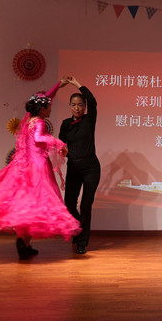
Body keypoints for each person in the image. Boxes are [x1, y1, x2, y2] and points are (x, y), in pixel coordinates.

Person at [0, 79, 81, 260]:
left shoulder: (29, 118)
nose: (51, 109)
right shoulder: (40, 122)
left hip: (24, 166)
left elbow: (44, 98)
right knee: (35, 206)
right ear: (42, 109)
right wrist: (58, 142)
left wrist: (59, 85)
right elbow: (39, 138)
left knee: (26, 205)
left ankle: (24, 243)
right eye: (49, 107)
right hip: (38, 168)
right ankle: (23, 243)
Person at [59, 76, 101, 255]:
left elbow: (92, 101)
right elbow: (61, 144)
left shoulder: (89, 120)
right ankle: (78, 228)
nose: (77, 108)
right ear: (70, 106)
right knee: (69, 203)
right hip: (74, 167)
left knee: (85, 205)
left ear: (84, 107)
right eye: (74, 105)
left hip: (91, 168)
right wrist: (63, 151)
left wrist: (76, 83)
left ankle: (82, 243)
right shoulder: (65, 124)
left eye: (80, 105)